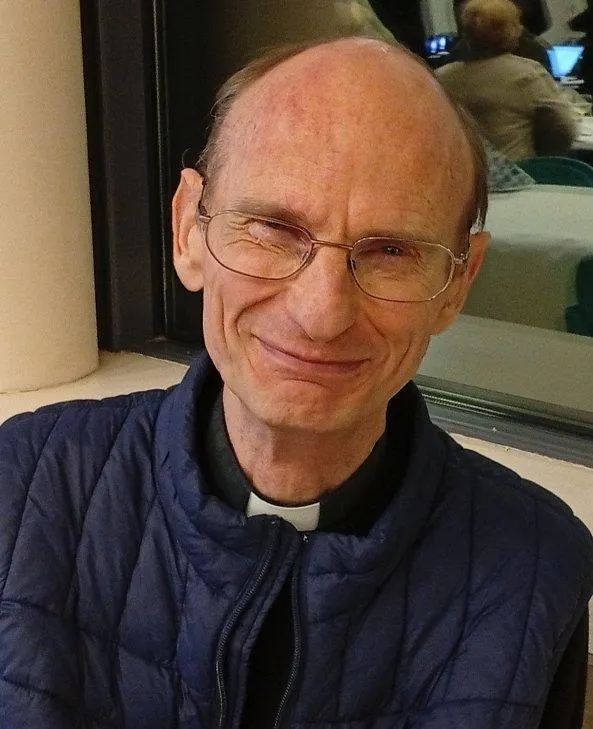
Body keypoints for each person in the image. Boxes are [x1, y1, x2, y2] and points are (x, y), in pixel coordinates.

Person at [0, 37, 591, 729]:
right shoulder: (22, 486)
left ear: (457, 284)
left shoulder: (534, 566)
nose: (321, 315)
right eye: (273, 228)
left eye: (391, 250)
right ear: (188, 231)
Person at [437, 0, 577, 161]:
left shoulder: (440, 78)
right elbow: (564, 128)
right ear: (509, 31)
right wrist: (542, 157)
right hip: (515, 171)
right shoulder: (528, 74)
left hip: (458, 170)